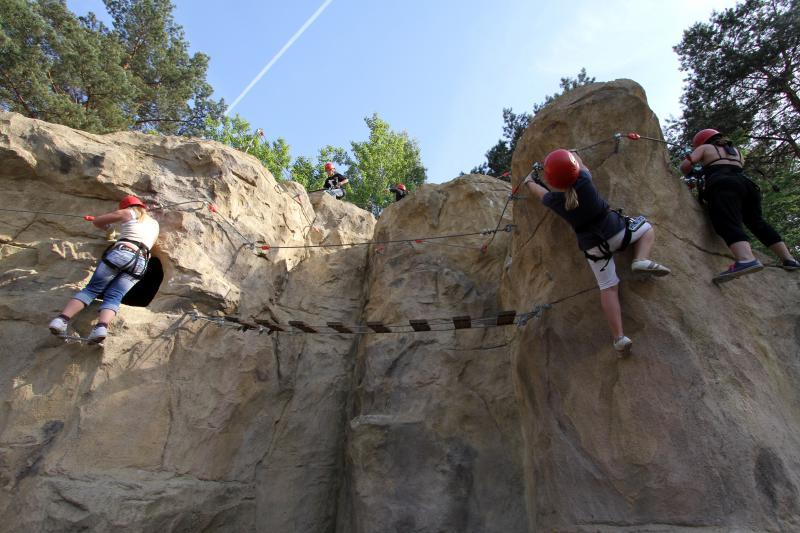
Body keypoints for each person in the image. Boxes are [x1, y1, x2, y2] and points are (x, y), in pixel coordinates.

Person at [526, 149, 671, 354]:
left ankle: (619, 337)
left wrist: (530, 180)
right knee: (646, 228)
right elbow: (581, 165)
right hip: (617, 232)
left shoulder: (554, 201)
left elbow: (537, 191)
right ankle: (640, 259)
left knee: (608, 288)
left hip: (594, 248)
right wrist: (572, 153)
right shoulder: (585, 181)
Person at [680, 129, 799, 282]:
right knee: (757, 222)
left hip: (723, 184)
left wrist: (693, 159)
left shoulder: (705, 148)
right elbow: (725, 165)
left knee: (727, 220)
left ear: (701, 143)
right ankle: (789, 259)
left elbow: (685, 168)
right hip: (748, 186)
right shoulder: (736, 151)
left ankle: (746, 259)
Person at [48, 195, 160, 343]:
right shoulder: (154, 224)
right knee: (115, 296)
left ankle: (61, 320)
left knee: (92, 290)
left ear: (127, 207)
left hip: (122, 253)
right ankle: (101, 327)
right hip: (141, 262)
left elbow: (98, 221)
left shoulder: (128, 212)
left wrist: (109, 229)